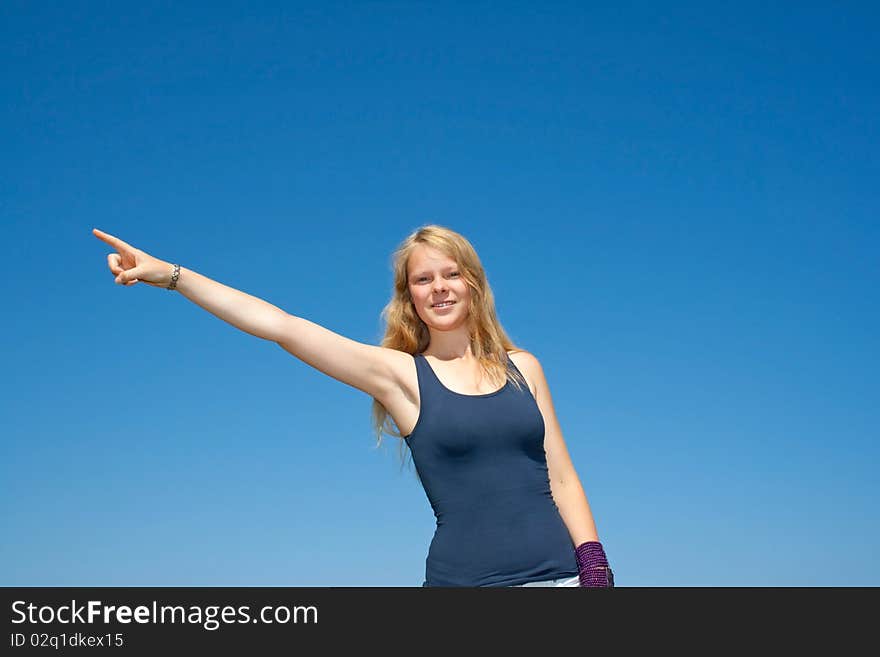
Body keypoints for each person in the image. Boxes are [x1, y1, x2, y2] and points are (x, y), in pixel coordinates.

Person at [92, 224, 614, 588]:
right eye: (422, 279)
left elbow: (562, 477)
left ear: (473, 283)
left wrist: (594, 565)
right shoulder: (401, 377)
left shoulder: (524, 368)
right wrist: (174, 276)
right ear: (409, 296)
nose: (439, 288)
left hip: (562, 576)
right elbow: (284, 328)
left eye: (450, 274)